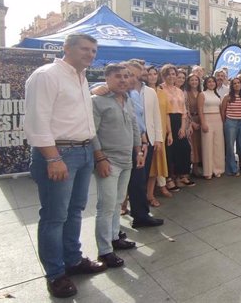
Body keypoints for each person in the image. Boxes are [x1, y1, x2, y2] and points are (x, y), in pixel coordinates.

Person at [25, 33, 107, 298]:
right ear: (67, 48)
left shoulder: (80, 78)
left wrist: (93, 153)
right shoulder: (46, 75)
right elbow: (37, 121)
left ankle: (73, 259)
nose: (90, 54)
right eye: (84, 49)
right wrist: (52, 157)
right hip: (60, 153)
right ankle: (55, 274)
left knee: (75, 211)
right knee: (54, 217)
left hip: (82, 151)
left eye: (93, 51)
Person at [91, 64, 142, 269]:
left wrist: (138, 151)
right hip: (108, 161)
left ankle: (114, 238)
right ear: (107, 78)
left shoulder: (128, 99)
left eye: (126, 76)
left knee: (118, 202)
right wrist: (100, 158)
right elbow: (91, 132)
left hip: (127, 159)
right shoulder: (97, 101)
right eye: (118, 76)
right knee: (106, 205)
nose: (123, 80)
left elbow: (134, 126)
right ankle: (104, 251)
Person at [123, 61, 164, 226]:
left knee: (141, 178)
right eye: (130, 74)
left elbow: (155, 116)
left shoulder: (149, 91)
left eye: (137, 74)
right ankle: (132, 212)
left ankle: (141, 214)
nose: (133, 78)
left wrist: (157, 138)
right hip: (129, 142)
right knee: (129, 180)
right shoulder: (122, 91)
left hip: (146, 139)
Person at [146, 68, 175, 200]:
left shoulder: (162, 93)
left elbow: (167, 114)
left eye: (154, 74)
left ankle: (156, 189)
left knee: (159, 161)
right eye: (149, 74)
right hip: (147, 131)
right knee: (148, 162)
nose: (152, 77)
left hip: (161, 131)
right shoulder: (142, 92)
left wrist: (169, 133)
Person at [161, 65, 193, 186]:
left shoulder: (179, 91)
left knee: (184, 148)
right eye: (168, 74)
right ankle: (169, 178)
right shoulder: (161, 89)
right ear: (164, 76)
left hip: (179, 120)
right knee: (169, 150)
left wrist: (183, 127)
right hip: (167, 120)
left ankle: (182, 175)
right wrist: (169, 130)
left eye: (173, 74)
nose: (171, 76)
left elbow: (184, 111)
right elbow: (165, 111)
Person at [221, 78, 241, 176]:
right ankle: (232, 170)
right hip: (230, 122)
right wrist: (224, 123)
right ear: (231, 85)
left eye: (238, 83)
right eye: (234, 83)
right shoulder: (227, 97)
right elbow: (223, 111)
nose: (236, 85)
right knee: (230, 146)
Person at [198, 76, 225, 179]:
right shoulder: (202, 94)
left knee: (218, 145)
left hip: (218, 120)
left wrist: (223, 121)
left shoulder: (217, 95)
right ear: (205, 83)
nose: (211, 83)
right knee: (207, 145)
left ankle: (217, 169)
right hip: (207, 119)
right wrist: (203, 123)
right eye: (209, 82)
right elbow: (200, 109)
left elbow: (220, 109)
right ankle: (208, 171)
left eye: (213, 82)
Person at [185, 74, 202, 176]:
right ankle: (192, 168)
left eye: (196, 80)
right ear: (188, 82)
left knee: (199, 144)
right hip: (190, 121)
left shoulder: (201, 93)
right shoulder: (186, 93)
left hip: (200, 120)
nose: (194, 82)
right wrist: (191, 123)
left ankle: (197, 167)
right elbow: (185, 110)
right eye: (192, 80)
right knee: (192, 145)